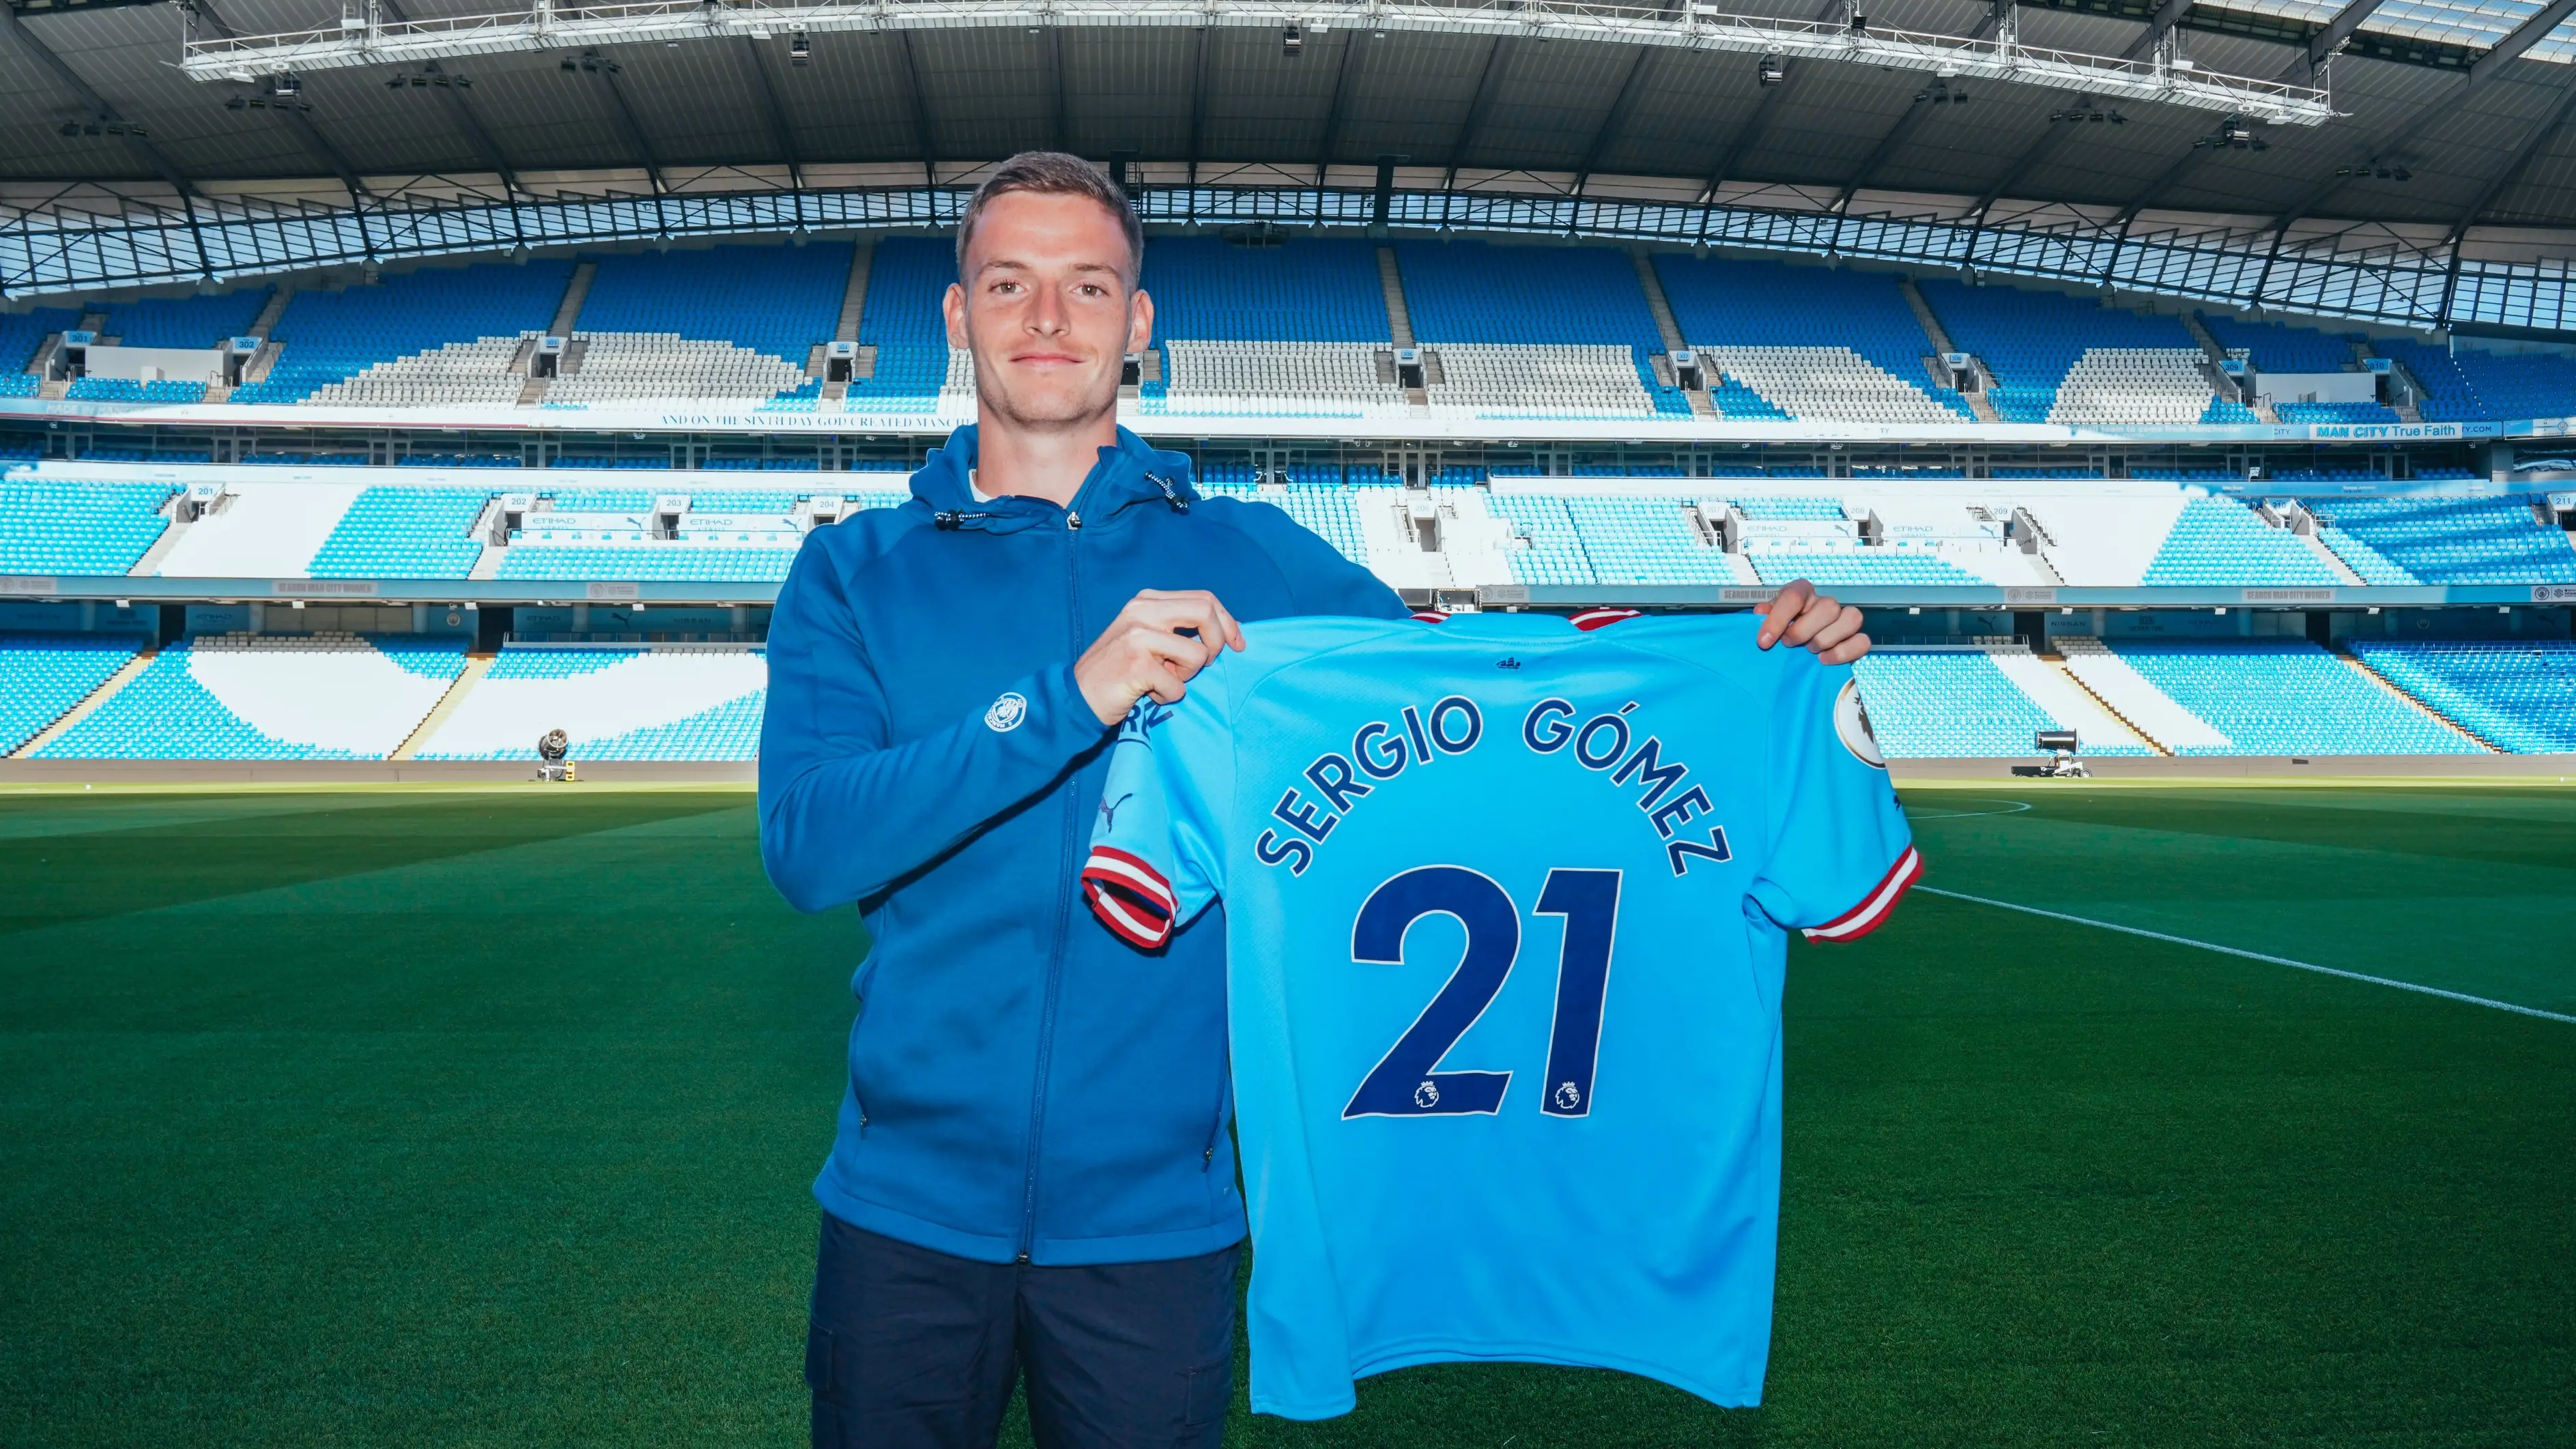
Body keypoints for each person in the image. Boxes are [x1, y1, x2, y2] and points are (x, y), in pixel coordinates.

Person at [758, 151, 1873, 1449]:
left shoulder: (1254, 558)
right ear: (955, 317)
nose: (1047, 321)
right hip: (903, 1209)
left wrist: (1739, 658)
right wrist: (1069, 697)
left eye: (1087, 285)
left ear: (1141, 323)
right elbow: (810, 843)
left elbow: (1489, 700)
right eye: (1008, 284)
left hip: (1161, 1219)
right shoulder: (850, 570)